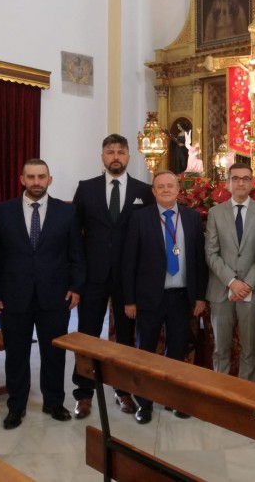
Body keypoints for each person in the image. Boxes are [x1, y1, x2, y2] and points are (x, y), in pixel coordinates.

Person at [0, 159, 85, 429]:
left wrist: (76, 287)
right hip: (12, 295)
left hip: (55, 296)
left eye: (41, 177)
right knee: (16, 354)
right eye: (31, 177)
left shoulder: (67, 213)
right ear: (22, 179)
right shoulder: (2, 212)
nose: (36, 182)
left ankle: (54, 402)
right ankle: (16, 406)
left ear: (49, 180)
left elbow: (76, 253)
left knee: (54, 354)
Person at [71, 134, 154, 419]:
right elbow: (74, 235)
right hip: (93, 276)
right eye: (110, 152)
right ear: (102, 157)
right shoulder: (86, 189)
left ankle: (124, 391)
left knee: (126, 338)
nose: (115, 156)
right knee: (87, 335)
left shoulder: (144, 190)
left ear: (128, 156)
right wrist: (76, 276)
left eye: (120, 151)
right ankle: (83, 394)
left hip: (128, 279)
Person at [122, 170, 208, 424]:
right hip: (149, 297)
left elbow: (198, 261)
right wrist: (129, 300)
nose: (166, 189)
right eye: (161, 186)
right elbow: (129, 262)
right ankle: (144, 403)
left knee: (177, 351)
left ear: (178, 189)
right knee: (145, 351)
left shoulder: (192, 218)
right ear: (154, 191)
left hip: (181, 297)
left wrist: (200, 296)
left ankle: (173, 400)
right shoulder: (140, 218)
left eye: (171, 185)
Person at [205, 163, 255, 381]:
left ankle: (245, 399)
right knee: (220, 349)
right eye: (235, 178)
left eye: (245, 178)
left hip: (251, 290)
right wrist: (232, 281)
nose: (240, 182)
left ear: (252, 183)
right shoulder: (215, 213)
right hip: (221, 290)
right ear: (228, 182)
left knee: (249, 350)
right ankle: (220, 397)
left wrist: (247, 283)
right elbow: (211, 253)